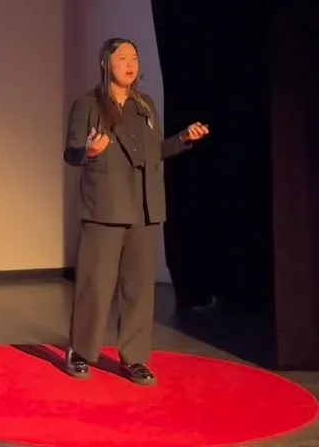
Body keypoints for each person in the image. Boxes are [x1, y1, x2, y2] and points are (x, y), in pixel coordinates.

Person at [62, 38, 209, 386]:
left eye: (134, 58)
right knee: (96, 287)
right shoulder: (87, 105)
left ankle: (135, 359)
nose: (130, 64)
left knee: (139, 291)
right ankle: (81, 352)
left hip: (145, 208)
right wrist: (89, 151)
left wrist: (182, 139)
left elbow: (153, 152)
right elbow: (71, 153)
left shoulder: (145, 106)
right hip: (105, 208)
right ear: (105, 64)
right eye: (122, 58)